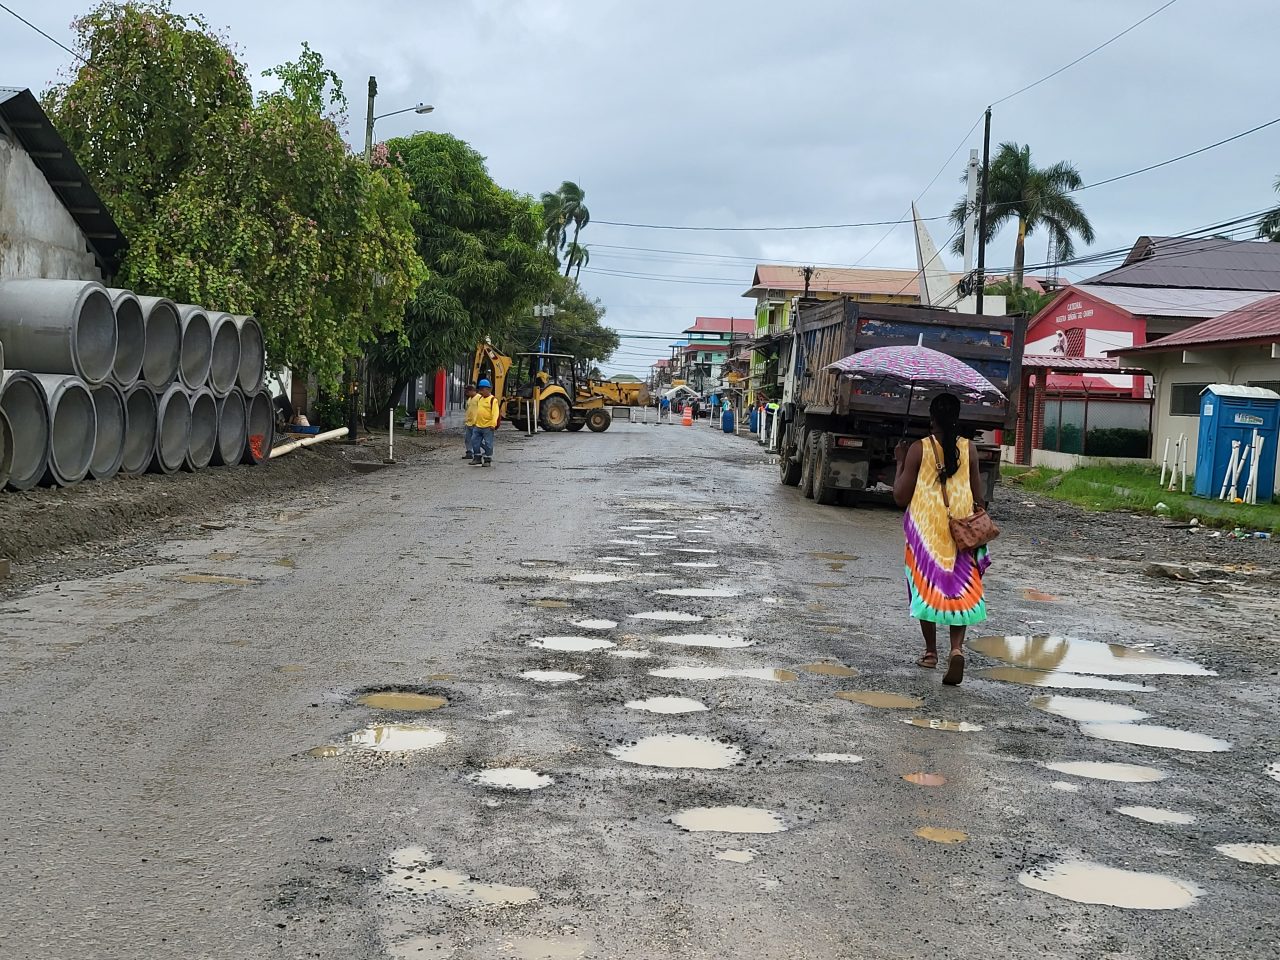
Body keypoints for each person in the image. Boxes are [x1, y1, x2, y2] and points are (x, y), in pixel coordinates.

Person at [892, 393, 989, 685]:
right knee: (961, 588)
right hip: (961, 529)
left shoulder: (918, 449)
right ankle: (956, 649)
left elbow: (900, 496)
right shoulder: (969, 448)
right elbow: (979, 496)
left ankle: (931, 652)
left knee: (926, 586)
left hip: (926, 530)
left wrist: (899, 462)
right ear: (957, 417)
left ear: (931, 418)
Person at [470, 379, 500, 467]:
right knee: (474, 441)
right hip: (478, 425)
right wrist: (475, 422)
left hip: (488, 426)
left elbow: (495, 413)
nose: (481, 391)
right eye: (480, 389)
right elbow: (478, 411)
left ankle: (487, 459)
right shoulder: (480, 399)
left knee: (488, 443)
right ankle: (477, 457)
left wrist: (493, 424)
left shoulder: (493, 400)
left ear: (488, 389)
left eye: (482, 389)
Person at [462, 384, 479, 461]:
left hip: (476, 422)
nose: (466, 393)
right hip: (468, 422)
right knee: (467, 438)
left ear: (472, 391)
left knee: (476, 439)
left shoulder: (479, 398)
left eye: (468, 392)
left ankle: (478, 454)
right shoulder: (469, 399)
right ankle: (469, 452)